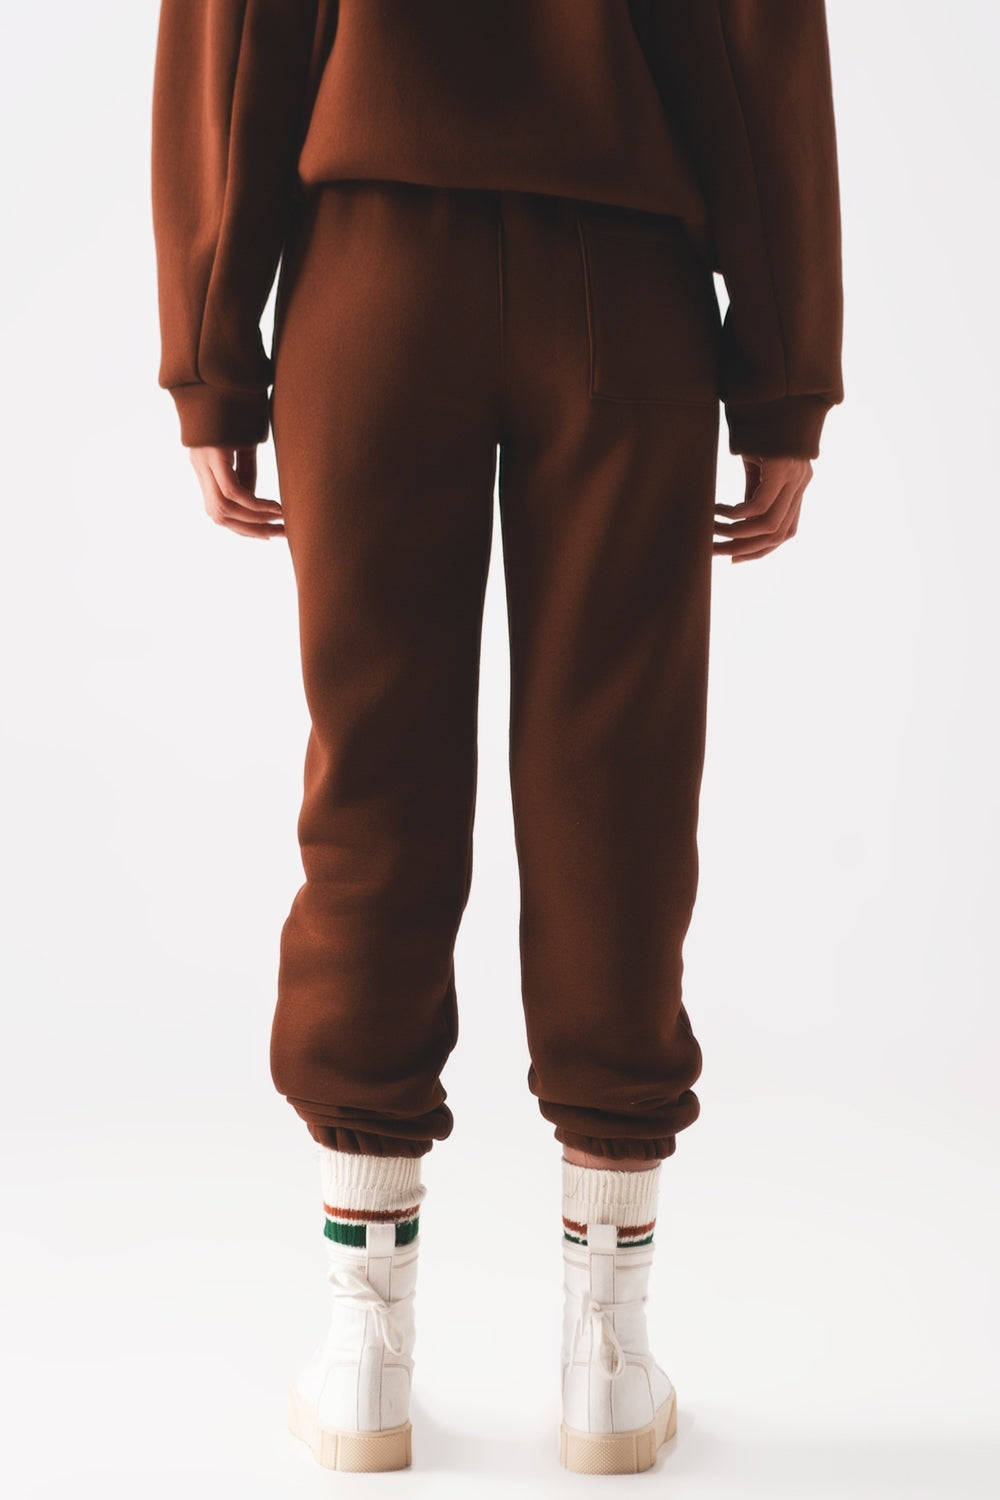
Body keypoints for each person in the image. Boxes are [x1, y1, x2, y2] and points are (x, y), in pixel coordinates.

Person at [151, 0, 843, 1476]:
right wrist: (785, 373)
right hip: (626, 284)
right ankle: (610, 1357)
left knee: (372, 778)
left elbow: (241, 25)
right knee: (617, 793)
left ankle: (365, 1356)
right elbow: (756, 37)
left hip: (371, 282)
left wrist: (211, 346)